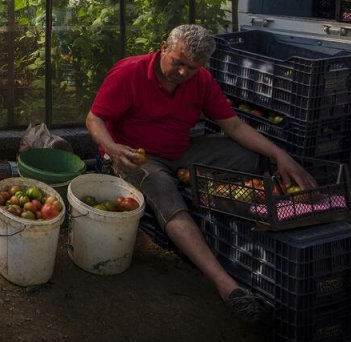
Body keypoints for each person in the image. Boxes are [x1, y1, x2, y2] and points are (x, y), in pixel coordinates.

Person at [85, 24, 317, 329]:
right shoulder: (129, 73)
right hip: (135, 156)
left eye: (192, 68)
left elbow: (233, 127)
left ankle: (291, 206)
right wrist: (113, 149)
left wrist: (280, 156)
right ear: (163, 47)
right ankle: (227, 287)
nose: (183, 73)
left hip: (182, 150)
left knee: (252, 155)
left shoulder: (201, 81)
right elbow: (95, 118)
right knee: (165, 194)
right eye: (178, 63)